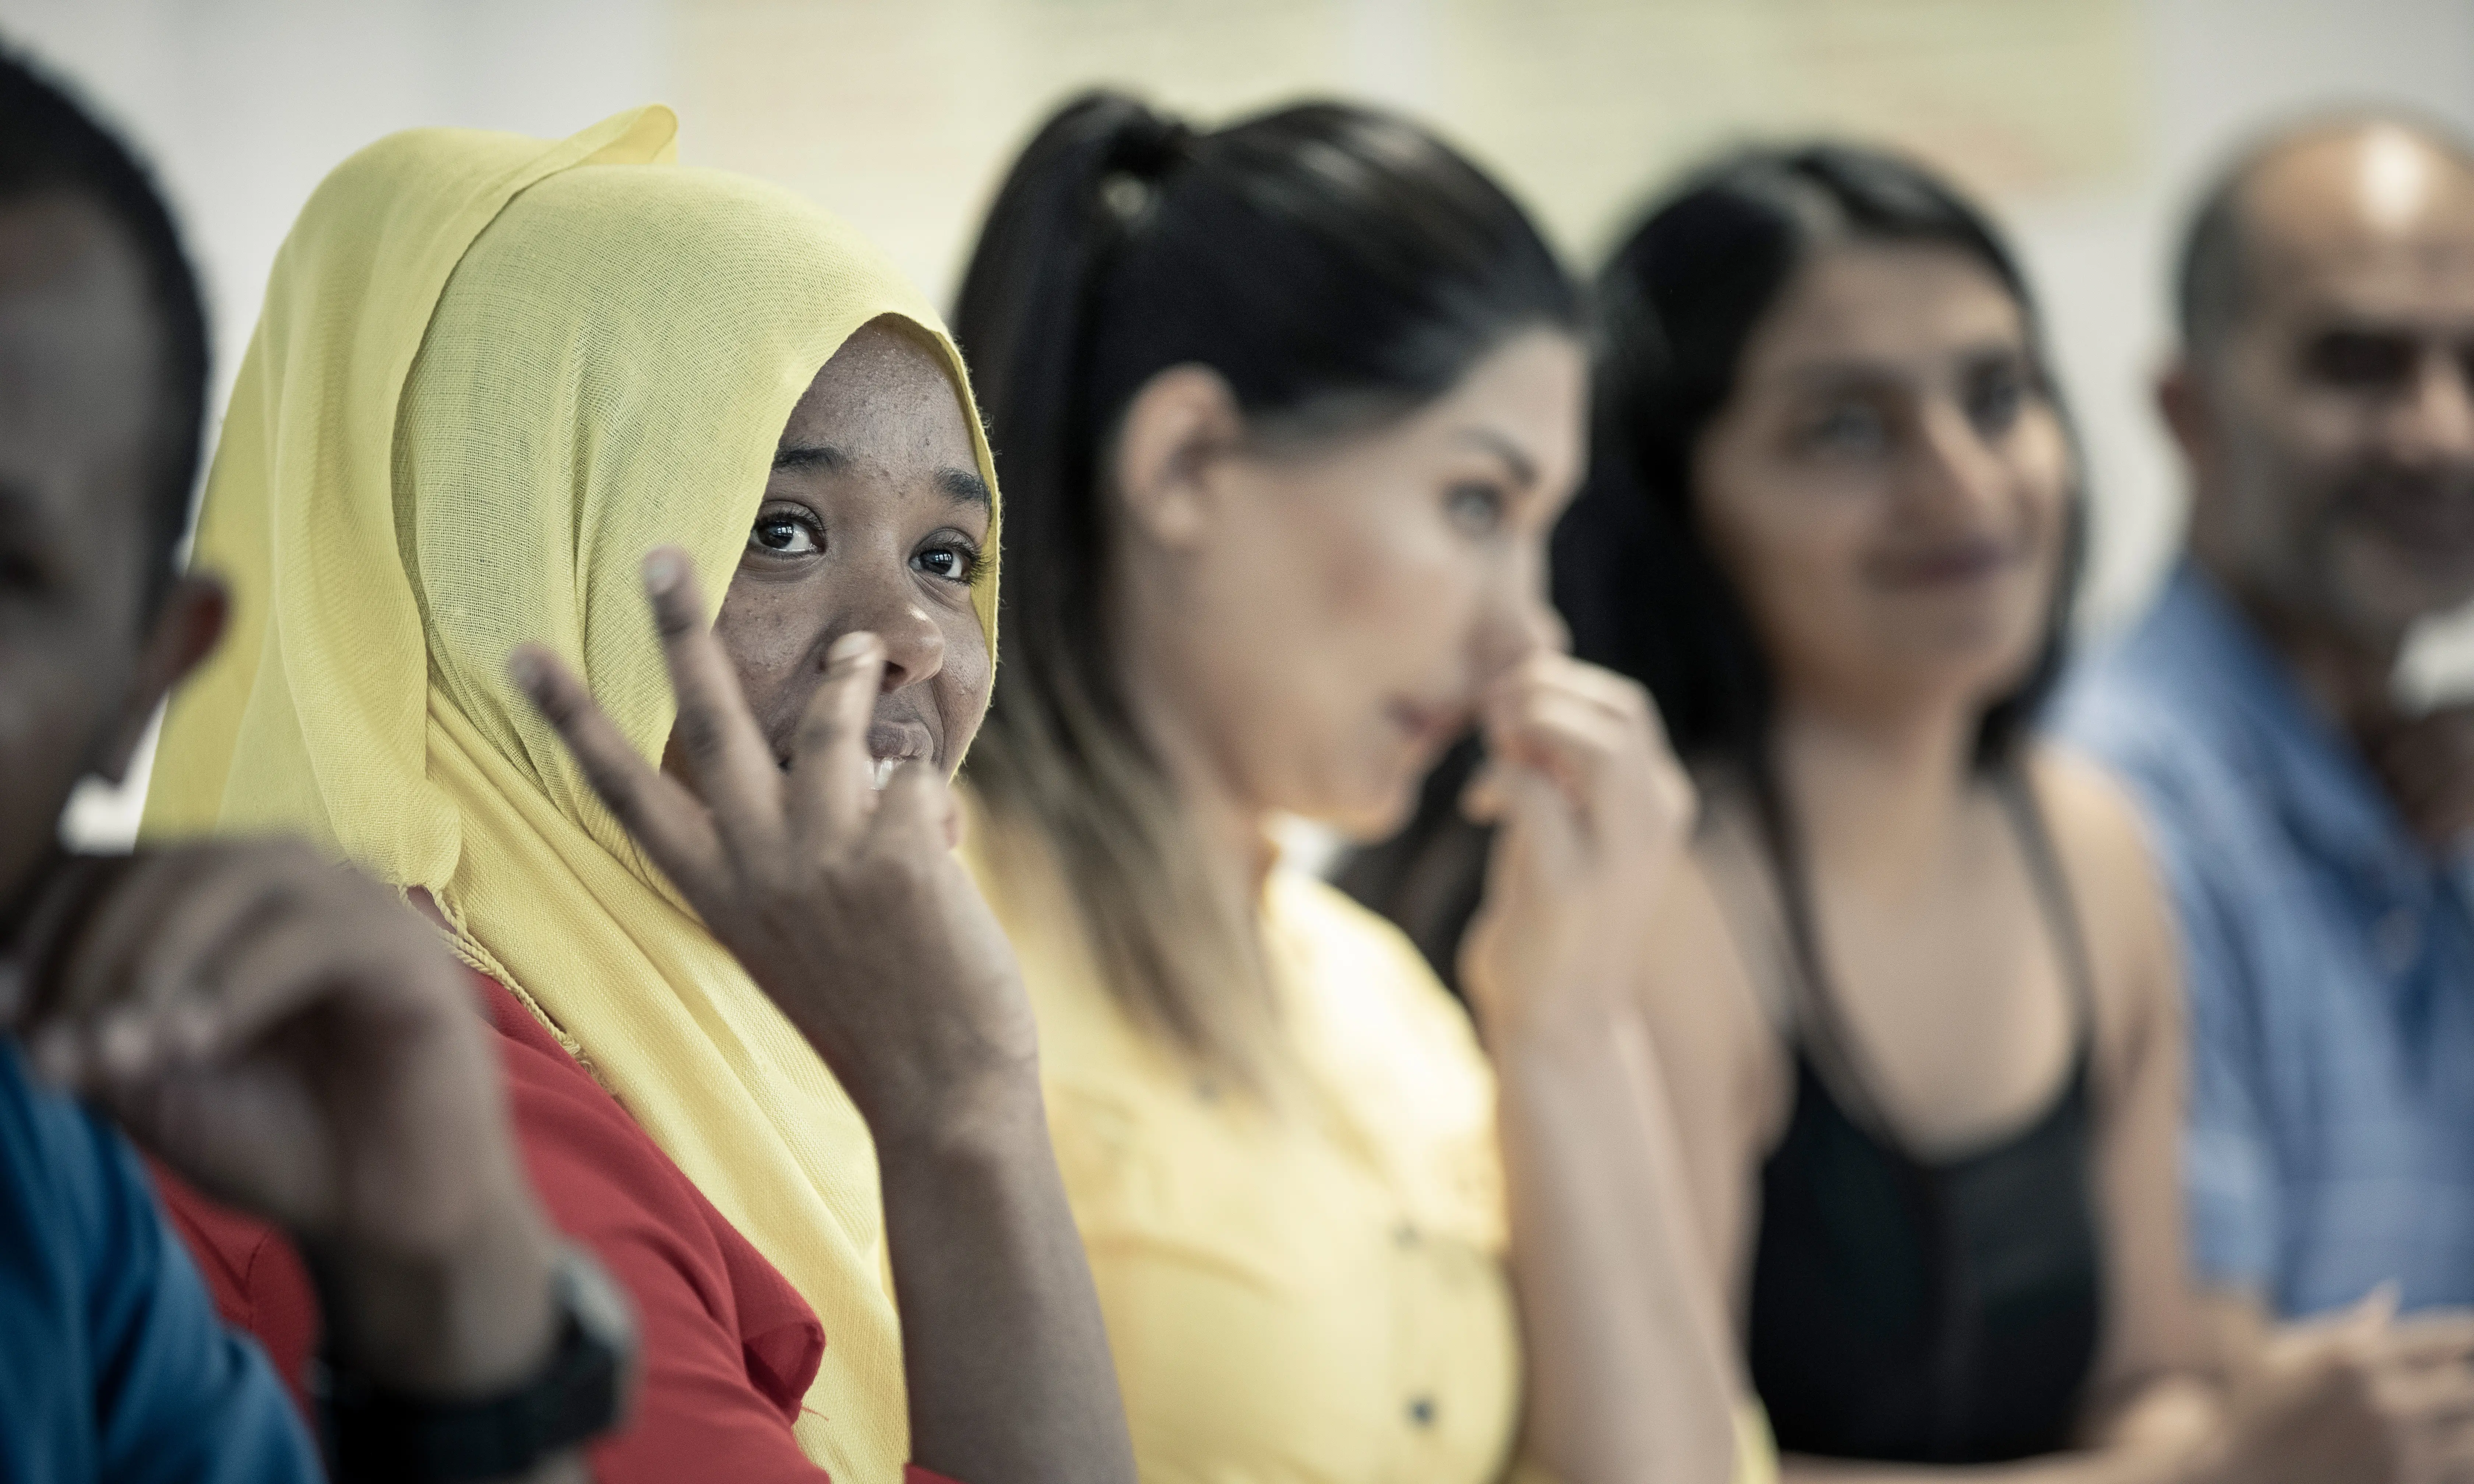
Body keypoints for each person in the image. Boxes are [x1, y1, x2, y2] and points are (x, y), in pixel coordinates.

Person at [1356, 141, 2474, 1481]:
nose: (1963, 486)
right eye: (1846, 428)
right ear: (1669, 495)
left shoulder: (2091, 842)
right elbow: (1650, 1463)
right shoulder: (1635, 882)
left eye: (1999, 398)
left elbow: (2153, 1390)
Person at [136, 106, 1135, 1484]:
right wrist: (960, 1097)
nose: (912, 636)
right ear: (504, 572)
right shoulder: (438, 1129)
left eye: (949, 554)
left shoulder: (722, 1056)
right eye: (781, 532)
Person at [948, 91, 1746, 1484]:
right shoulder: (917, 933)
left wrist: (1566, 1026)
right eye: (1474, 505)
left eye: (1542, 531)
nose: (1528, 637)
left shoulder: (1389, 1005)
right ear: (1187, 462)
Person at [0, 48, 634, 1483]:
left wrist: (443, 1295)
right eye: (764, 525)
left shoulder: (57, 1177)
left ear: (144, 681)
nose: (893, 640)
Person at [2049, 116, 2474, 1341]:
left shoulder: (2424, 786)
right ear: (2188, 411)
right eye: (2360, 363)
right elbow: (2226, 1413)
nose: (2444, 431)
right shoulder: (2123, 804)